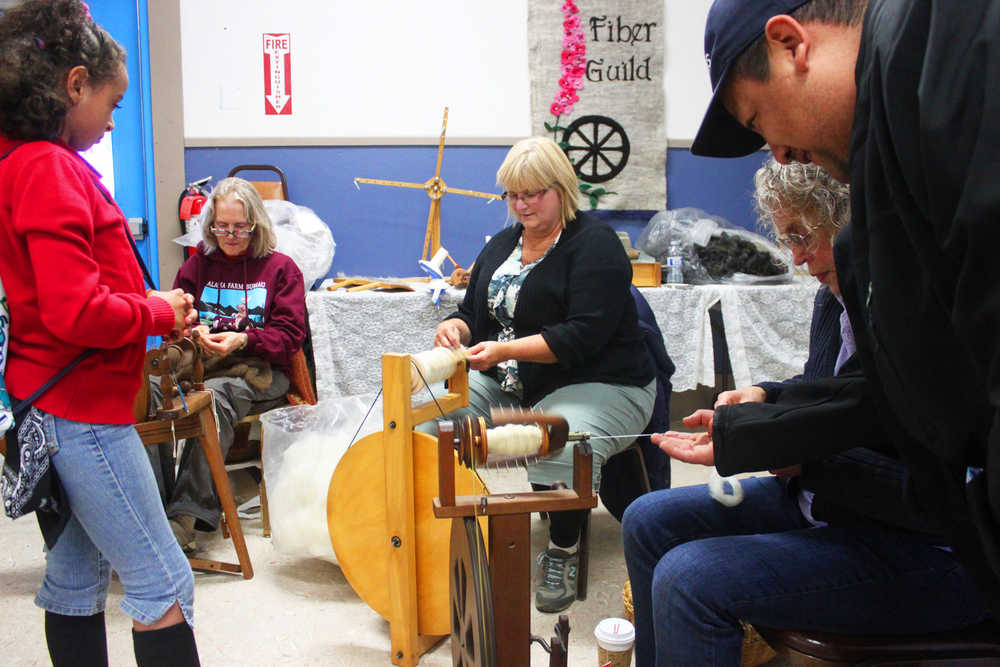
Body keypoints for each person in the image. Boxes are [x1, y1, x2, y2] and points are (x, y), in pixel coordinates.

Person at [690, 0, 1000, 611]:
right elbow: (907, 384)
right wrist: (762, 425)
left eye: (758, 120)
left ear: (789, 45)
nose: (778, 152)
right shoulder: (899, 145)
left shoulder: (946, 57)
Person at [623, 159, 991, 666]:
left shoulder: (919, 320)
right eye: (787, 240)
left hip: (927, 550)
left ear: (851, 223)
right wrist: (768, 398)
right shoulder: (834, 300)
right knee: (647, 519)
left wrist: (805, 459)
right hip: (829, 503)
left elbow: (935, 495)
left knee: (689, 578)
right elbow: (831, 395)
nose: (797, 259)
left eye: (802, 237)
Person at [0, 1, 201, 664]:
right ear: (75, 84)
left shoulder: (20, 162)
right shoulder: (48, 167)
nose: (115, 120)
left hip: (50, 401)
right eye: (111, 103)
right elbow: (75, 311)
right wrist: (159, 312)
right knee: (163, 583)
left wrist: (144, 303)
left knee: (75, 582)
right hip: (81, 410)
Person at [423, 136, 655, 613]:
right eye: (513, 194)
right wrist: (455, 327)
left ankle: (562, 549)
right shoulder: (505, 244)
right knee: (432, 420)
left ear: (561, 188)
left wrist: (503, 349)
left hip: (606, 379)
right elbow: (474, 313)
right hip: (517, 377)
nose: (522, 204)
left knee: (553, 439)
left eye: (534, 193)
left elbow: (582, 337)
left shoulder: (595, 245)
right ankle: (434, 533)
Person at [147, 176, 307, 552]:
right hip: (201, 363)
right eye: (221, 227)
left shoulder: (281, 270)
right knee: (147, 390)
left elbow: (290, 338)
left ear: (256, 225)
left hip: (259, 369)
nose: (230, 235)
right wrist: (190, 328)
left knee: (212, 401)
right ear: (210, 225)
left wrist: (244, 339)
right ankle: (152, 509)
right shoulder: (196, 267)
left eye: (240, 227)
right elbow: (176, 320)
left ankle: (184, 517)